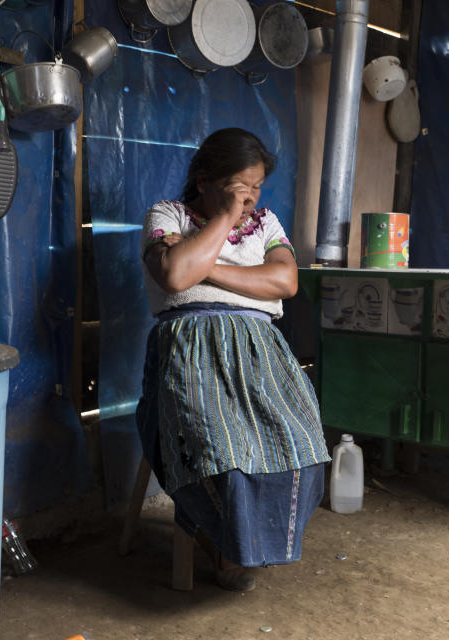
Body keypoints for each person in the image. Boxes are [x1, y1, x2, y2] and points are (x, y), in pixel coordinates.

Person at [135, 128, 331, 592]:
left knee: (301, 444)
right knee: (222, 449)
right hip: (190, 349)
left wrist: (209, 270)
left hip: (261, 352)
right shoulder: (167, 215)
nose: (249, 197)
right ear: (204, 181)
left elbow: (285, 282)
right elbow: (175, 274)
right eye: (238, 186)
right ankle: (224, 548)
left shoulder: (266, 223)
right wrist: (222, 220)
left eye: (256, 186)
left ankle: (252, 545)